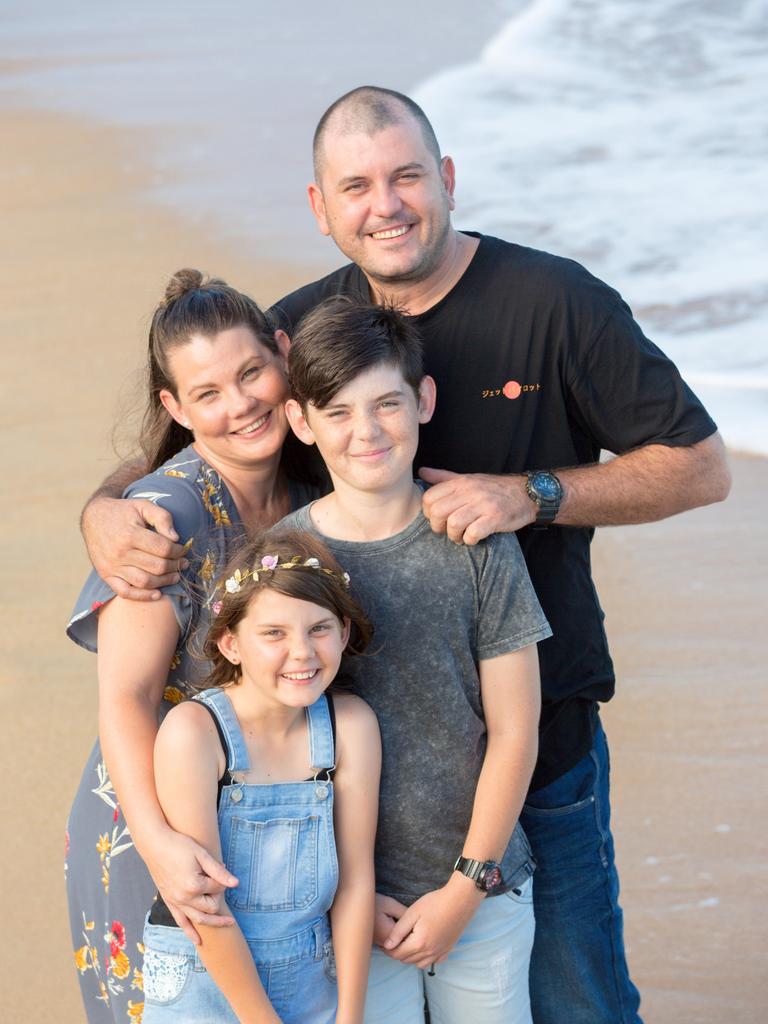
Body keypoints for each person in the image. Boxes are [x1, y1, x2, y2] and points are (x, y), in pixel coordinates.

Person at [79, 87, 731, 1023]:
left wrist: (533, 494)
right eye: (356, 186)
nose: (384, 205)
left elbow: (701, 468)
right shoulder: (304, 329)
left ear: (448, 180)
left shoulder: (557, 303)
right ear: (321, 209)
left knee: (577, 1000)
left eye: (406, 176)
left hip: (534, 743)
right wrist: (105, 508)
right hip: (341, 786)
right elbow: (208, 420)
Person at [66, 269, 325, 1023]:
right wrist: (159, 845)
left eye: (251, 372)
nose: (241, 403)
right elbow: (128, 696)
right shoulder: (164, 516)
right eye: (208, 394)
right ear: (175, 410)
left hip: (261, 823)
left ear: (283, 355)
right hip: (156, 831)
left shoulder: (310, 495)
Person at [281, 298, 550, 1023]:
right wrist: (348, 893)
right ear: (301, 423)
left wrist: (466, 889)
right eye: (336, 412)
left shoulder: (479, 540)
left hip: (482, 890)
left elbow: (516, 731)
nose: (365, 432)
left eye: (386, 404)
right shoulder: (286, 558)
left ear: (423, 400)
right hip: (340, 899)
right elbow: (271, 747)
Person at [141, 526, 380, 1024]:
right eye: (273, 633)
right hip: (206, 972)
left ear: (344, 632)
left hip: (312, 974)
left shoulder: (350, 725)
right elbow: (206, 905)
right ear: (231, 644)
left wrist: (350, 1016)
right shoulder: (195, 732)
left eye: (319, 628)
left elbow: (356, 881)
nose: (302, 653)